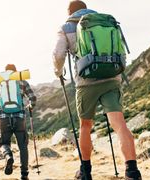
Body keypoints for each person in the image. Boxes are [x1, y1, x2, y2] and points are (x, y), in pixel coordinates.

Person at [52, 1, 142, 180]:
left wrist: (58, 71)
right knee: (119, 124)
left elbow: (58, 54)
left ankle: (85, 172)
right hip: (111, 78)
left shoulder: (66, 27)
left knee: (85, 126)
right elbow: (121, 49)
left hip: (86, 83)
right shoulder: (106, 21)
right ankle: (132, 171)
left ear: (69, 12)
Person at [0, 64, 37, 180]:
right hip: (19, 117)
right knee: (23, 146)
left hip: (4, 118)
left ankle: (8, 156)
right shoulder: (21, 81)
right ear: (15, 72)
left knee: (4, 143)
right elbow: (33, 98)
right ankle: (24, 174)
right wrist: (30, 106)